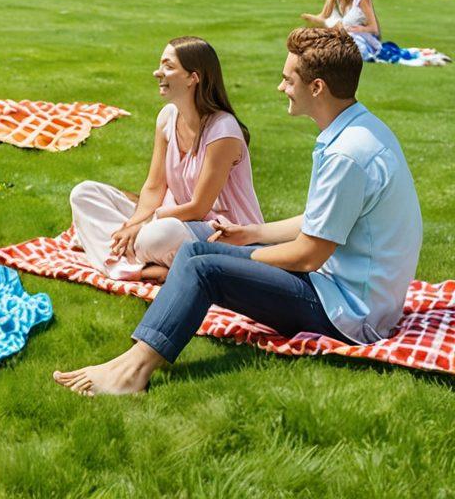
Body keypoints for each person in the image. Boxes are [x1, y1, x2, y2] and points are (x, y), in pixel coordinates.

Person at [54, 28, 421, 396]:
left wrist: (242, 257)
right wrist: (251, 235)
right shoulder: (361, 130)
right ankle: (131, 358)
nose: (281, 87)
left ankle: (134, 372)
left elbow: (309, 255)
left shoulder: (346, 155)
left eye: (287, 79)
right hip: (347, 291)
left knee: (204, 267)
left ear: (317, 88)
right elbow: (318, 220)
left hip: (346, 312)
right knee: (195, 251)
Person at [69, 37, 263, 282]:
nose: (157, 72)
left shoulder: (222, 130)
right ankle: (139, 256)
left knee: (156, 236)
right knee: (84, 194)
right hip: (173, 220)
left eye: (168, 66)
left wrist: (144, 226)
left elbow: (199, 208)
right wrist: (134, 222)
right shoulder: (168, 117)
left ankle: (128, 261)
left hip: (222, 232)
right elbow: (154, 185)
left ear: (194, 77)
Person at [300, 0, 381, 60]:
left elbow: (374, 29)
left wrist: (356, 29)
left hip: (364, 37)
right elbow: (324, 16)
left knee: (342, 47)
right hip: (344, 32)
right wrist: (310, 24)